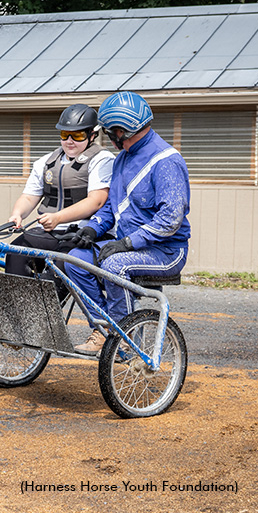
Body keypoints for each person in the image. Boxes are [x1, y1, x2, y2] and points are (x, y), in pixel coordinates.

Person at [65, 91, 191, 354]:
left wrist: (126, 242)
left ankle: (126, 338)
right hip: (128, 245)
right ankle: (104, 329)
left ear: (124, 130)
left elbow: (170, 220)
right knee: (75, 260)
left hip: (166, 251)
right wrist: (92, 228)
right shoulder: (123, 157)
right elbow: (112, 206)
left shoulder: (167, 161)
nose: (108, 137)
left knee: (113, 264)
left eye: (111, 131)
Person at [4, 104, 115, 293]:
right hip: (50, 232)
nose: (70, 141)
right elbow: (30, 196)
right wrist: (17, 214)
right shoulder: (46, 161)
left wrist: (57, 218)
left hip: (83, 235)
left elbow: (96, 200)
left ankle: (44, 316)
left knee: (62, 265)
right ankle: (16, 308)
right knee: (16, 250)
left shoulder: (102, 159)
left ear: (92, 135)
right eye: (65, 135)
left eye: (78, 136)